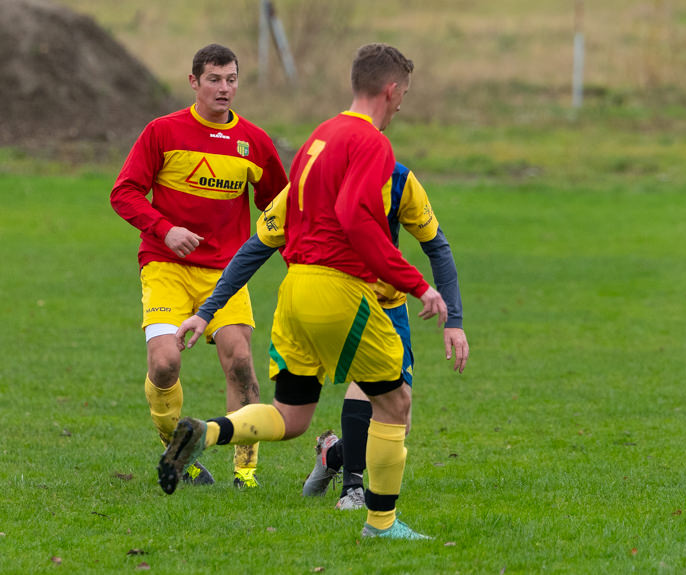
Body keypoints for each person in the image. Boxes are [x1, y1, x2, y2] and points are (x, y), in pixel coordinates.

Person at [159, 43, 447, 540]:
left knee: (290, 416)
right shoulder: (373, 143)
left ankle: (206, 432)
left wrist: (206, 311)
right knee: (395, 401)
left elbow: (272, 229)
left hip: (294, 289)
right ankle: (380, 523)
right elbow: (358, 218)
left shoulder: (323, 135)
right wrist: (417, 284)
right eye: (404, 95)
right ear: (391, 90)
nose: (401, 103)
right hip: (337, 289)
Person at [110, 43, 287, 489]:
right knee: (165, 363)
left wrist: (302, 260)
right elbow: (124, 192)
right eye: (214, 79)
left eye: (231, 79)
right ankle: (180, 454)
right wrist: (164, 228)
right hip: (165, 265)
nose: (224, 88)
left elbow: (282, 211)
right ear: (194, 82)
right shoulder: (162, 133)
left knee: (242, 361)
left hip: (227, 274)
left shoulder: (256, 143)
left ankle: (245, 473)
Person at [301, 162, 469, 511]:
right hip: (342, 299)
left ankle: (333, 454)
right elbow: (264, 241)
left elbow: (436, 245)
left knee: (398, 416)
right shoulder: (319, 171)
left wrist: (454, 318)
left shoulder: (399, 179)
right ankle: (353, 489)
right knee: (371, 382)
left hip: (390, 302)